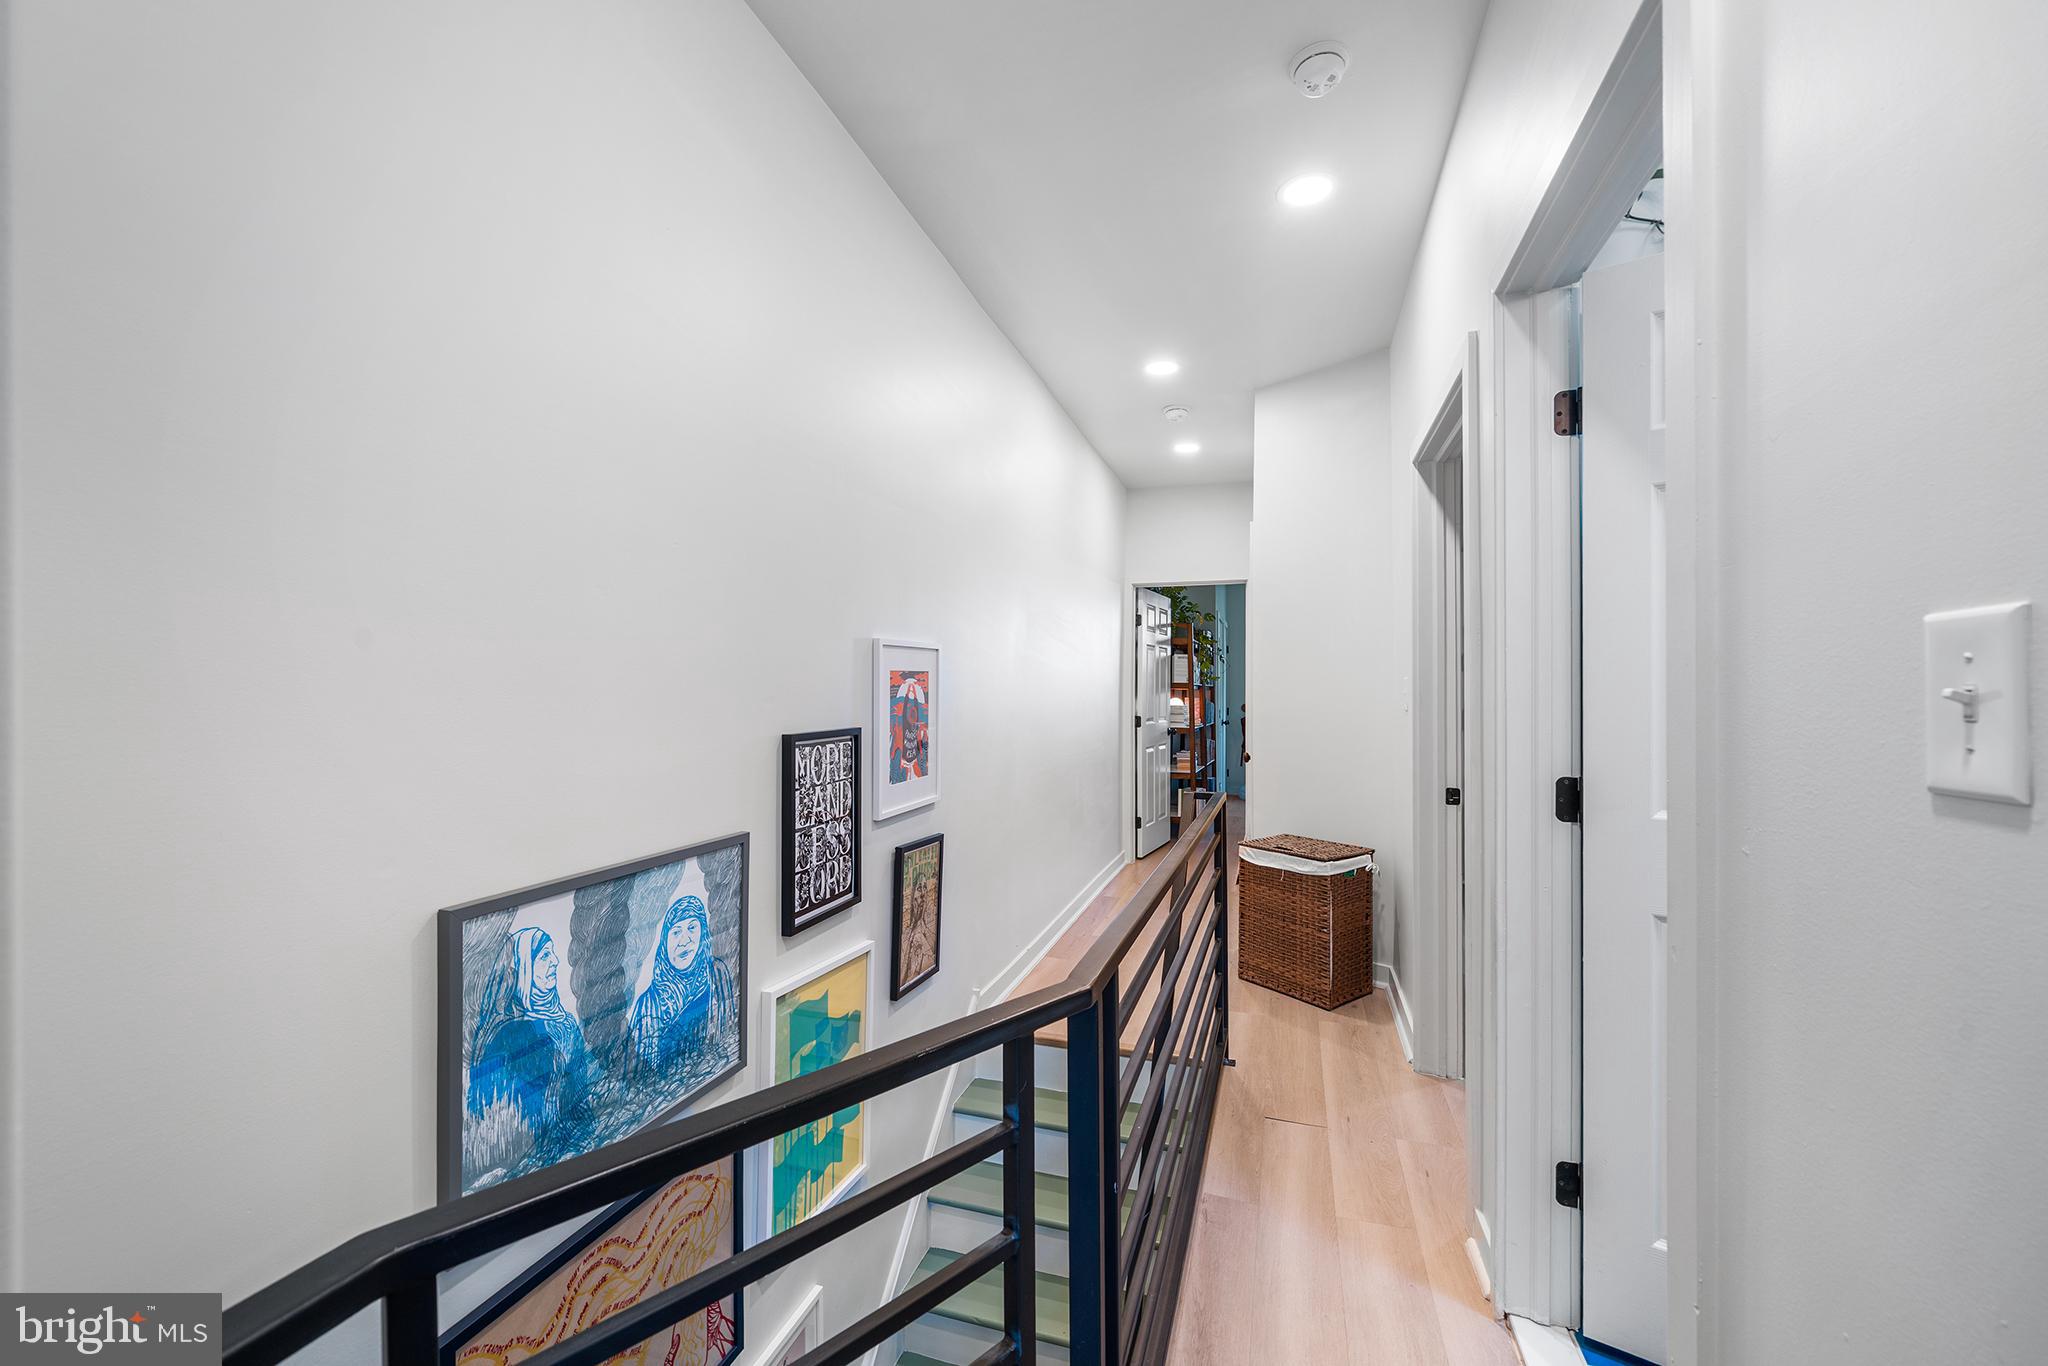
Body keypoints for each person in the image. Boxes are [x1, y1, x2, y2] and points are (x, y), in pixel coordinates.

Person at [467, 927, 590, 1138]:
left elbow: (581, 1091)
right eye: (544, 956)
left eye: (552, 953)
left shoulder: (567, 1022)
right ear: (525, 967)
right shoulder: (511, 1034)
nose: (555, 961)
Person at [630, 895, 736, 1076]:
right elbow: (638, 1074)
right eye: (676, 932)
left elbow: (729, 1036)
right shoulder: (648, 1004)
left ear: (703, 932)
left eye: (692, 928)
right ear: (665, 942)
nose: (685, 940)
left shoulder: (717, 974)